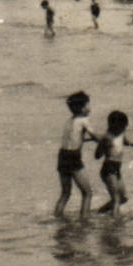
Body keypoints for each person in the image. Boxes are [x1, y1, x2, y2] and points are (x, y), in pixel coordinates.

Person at [53, 91, 99, 222]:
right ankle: (84, 221)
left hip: (62, 156)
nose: (90, 108)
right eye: (88, 105)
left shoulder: (70, 121)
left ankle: (57, 218)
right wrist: (108, 138)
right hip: (73, 157)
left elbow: (74, 138)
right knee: (87, 193)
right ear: (82, 108)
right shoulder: (84, 120)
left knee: (65, 193)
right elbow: (95, 137)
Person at [95, 110, 133, 216]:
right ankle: (115, 221)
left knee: (123, 198)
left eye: (125, 127)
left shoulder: (120, 134)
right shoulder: (107, 137)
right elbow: (97, 156)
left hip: (117, 169)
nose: (124, 129)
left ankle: (100, 212)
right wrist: (103, 145)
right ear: (113, 126)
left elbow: (127, 143)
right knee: (116, 198)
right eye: (122, 127)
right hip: (108, 169)